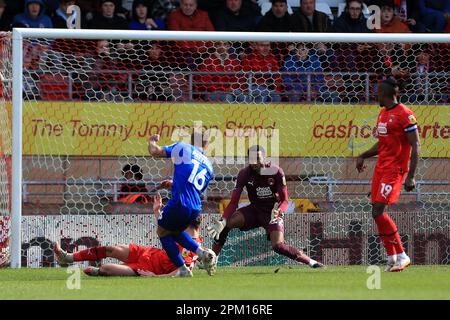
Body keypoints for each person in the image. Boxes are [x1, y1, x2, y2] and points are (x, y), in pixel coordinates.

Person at [207, 145, 324, 269]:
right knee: (226, 224)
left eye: (257, 158)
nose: (255, 162)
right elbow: (233, 203)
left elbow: (285, 200)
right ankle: (213, 259)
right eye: (251, 159)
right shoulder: (244, 174)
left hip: (272, 213)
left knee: (278, 246)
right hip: (254, 210)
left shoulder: (276, 172)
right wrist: (223, 220)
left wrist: (279, 211)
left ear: (265, 157)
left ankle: (312, 262)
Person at [53, 192, 204, 277]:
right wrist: (157, 211)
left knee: (106, 269)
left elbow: (183, 272)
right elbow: (166, 228)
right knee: (112, 249)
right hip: (148, 253)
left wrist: (154, 277)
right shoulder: (182, 231)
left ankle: (98, 271)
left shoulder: (194, 248)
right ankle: (67, 257)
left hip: (150, 269)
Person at [356, 78, 420, 272]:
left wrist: (411, 176)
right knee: (375, 213)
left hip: (395, 170)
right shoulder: (382, 114)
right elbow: (382, 144)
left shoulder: (405, 114)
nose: (375, 96)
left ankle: (402, 255)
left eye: (377, 93)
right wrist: (363, 155)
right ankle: (391, 257)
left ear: (384, 94)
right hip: (380, 169)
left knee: (378, 211)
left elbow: (416, 145)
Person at [147, 130, 217, 277]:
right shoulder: (209, 167)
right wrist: (174, 184)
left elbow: (155, 151)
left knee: (162, 232)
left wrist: (152, 141)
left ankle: (183, 269)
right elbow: (192, 187)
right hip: (195, 207)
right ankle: (201, 252)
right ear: (207, 144)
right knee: (175, 232)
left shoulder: (183, 147)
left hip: (180, 203)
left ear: (191, 140)